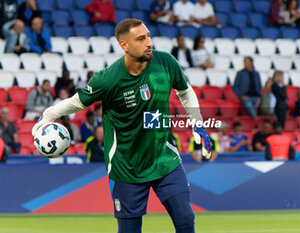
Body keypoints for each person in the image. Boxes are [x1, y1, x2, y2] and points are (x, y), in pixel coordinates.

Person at [31, 18, 212, 233]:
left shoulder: (165, 62)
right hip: (126, 167)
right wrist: (49, 114)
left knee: (185, 219)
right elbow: (77, 102)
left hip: (164, 159)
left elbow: (185, 90)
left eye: (148, 36)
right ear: (124, 45)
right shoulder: (108, 79)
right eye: (141, 38)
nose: (149, 43)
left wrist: (197, 124)